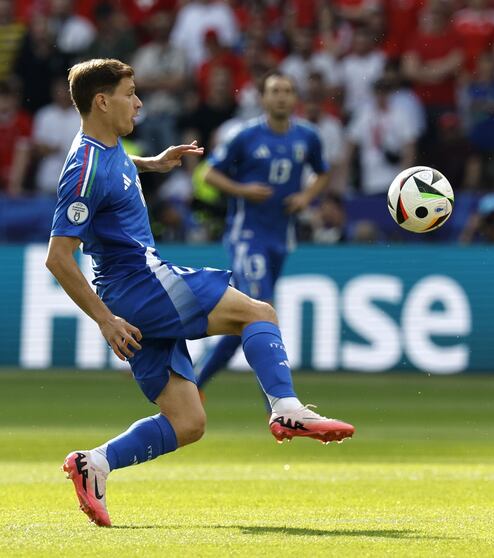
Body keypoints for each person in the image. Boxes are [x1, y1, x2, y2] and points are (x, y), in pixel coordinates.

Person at [49, 59, 353, 528]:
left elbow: (110, 169)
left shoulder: (105, 148)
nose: (139, 102)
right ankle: (286, 409)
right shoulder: (84, 167)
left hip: (132, 294)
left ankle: (95, 465)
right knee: (258, 312)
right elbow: (58, 257)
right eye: (131, 93)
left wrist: (150, 163)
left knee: (188, 422)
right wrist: (104, 319)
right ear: (102, 101)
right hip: (139, 285)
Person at [193, 72, 332, 399]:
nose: (281, 97)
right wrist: (241, 189)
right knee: (262, 309)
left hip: (281, 238)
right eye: (275, 91)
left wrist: (306, 198)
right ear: (264, 99)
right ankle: (279, 402)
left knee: (244, 321)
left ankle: (194, 382)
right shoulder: (245, 135)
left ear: (295, 98)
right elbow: (208, 173)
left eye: (287, 91)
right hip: (248, 236)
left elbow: (324, 172)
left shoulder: (308, 137)